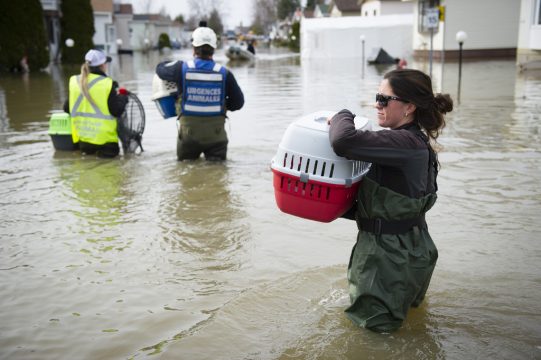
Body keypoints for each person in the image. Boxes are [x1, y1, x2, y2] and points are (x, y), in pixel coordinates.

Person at [328, 68, 453, 333]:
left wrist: (342, 115)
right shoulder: (416, 143)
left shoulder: (401, 144)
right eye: (377, 97)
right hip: (415, 249)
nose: (377, 104)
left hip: (385, 260)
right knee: (409, 327)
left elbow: (342, 140)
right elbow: (392, 204)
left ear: (409, 107)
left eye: (384, 99)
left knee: (373, 337)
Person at [155, 26, 244, 161]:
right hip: (217, 137)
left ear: (193, 49)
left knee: (186, 173)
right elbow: (238, 103)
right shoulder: (225, 73)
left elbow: (160, 69)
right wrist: (223, 105)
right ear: (213, 49)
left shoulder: (181, 68)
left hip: (189, 137)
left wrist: (174, 63)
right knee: (217, 176)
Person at [63, 49, 128, 158]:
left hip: (84, 142)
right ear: (102, 65)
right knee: (110, 173)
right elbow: (116, 111)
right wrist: (123, 97)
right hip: (106, 142)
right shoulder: (107, 84)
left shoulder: (75, 81)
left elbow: (66, 108)